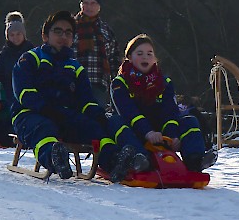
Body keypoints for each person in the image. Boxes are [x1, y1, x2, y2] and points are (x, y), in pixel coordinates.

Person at [10, 10, 148, 181]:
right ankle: (54, 157)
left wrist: (97, 114)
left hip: (64, 115)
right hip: (30, 113)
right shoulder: (30, 59)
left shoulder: (75, 67)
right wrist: (47, 108)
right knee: (43, 128)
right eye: (58, 31)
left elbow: (85, 100)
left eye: (68, 33)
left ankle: (114, 161)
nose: (63, 36)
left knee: (93, 128)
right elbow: (24, 92)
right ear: (45, 36)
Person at [112, 35, 216, 172]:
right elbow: (128, 112)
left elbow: (170, 111)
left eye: (149, 54)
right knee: (115, 122)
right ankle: (138, 160)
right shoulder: (120, 83)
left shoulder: (164, 83)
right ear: (129, 58)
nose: (145, 57)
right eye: (140, 53)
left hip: (161, 133)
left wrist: (172, 136)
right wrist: (148, 133)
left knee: (189, 121)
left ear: (155, 59)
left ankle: (195, 160)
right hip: (135, 132)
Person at [73, 0, 116, 110]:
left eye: (93, 3)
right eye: (85, 3)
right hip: (73, 81)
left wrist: (116, 83)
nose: (89, 7)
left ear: (99, 7)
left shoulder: (106, 30)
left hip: (99, 82)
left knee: (96, 116)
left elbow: (114, 59)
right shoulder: (70, 27)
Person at [0, 11, 30, 101]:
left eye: (18, 34)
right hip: (9, 101)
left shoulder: (32, 52)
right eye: (12, 35)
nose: (15, 37)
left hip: (30, 100)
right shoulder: (3, 55)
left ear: (23, 35)